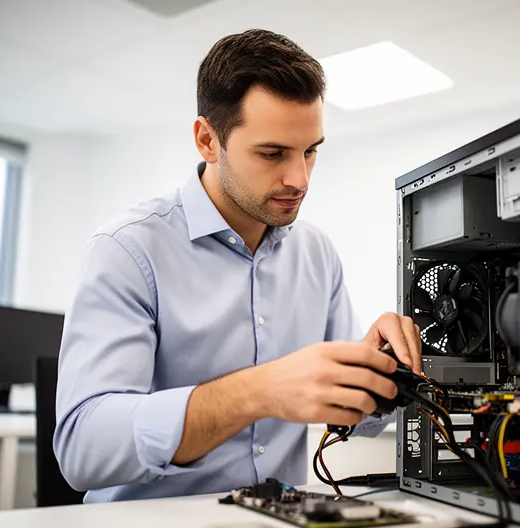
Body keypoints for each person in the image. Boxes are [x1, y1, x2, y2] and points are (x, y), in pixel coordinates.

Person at [53, 28, 422, 503]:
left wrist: (381, 372)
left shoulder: (316, 253)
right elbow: (82, 450)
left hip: (279, 515)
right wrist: (258, 391)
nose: (300, 178)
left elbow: (348, 413)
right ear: (208, 140)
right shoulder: (128, 250)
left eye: (311, 151)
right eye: (273, 154)